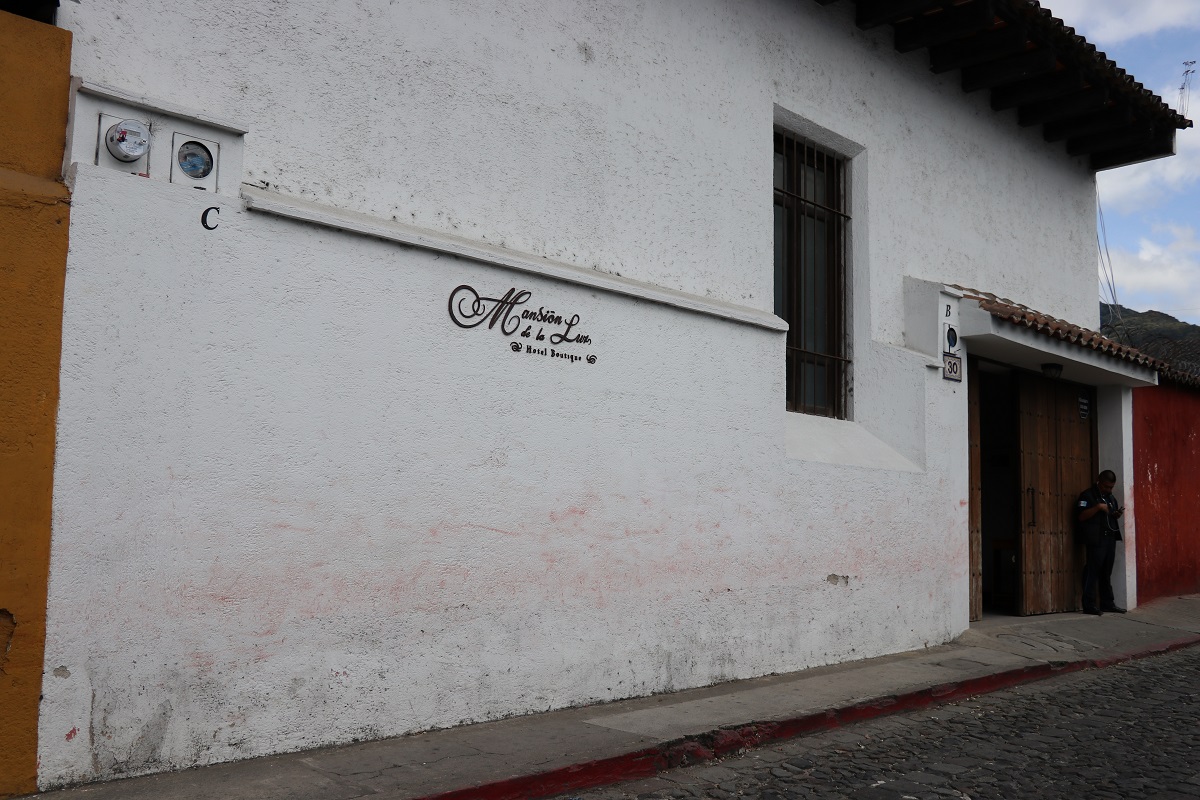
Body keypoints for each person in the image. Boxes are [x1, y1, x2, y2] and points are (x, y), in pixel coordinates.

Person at [1076, 470, 1126, 615]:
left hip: (1110, 538)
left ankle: (1107, 603)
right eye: (1106, 486)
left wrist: (1116, 514)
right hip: (1096, 539)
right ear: (1099, 481)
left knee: (1106, 572)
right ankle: (1089, 605)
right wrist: (1097, 507)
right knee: (1092, 571)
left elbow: (1110, 514)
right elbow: (1081, 516)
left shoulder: (1110, 498)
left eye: (1111, 487)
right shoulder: (1087, 495)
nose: (1109, 490)